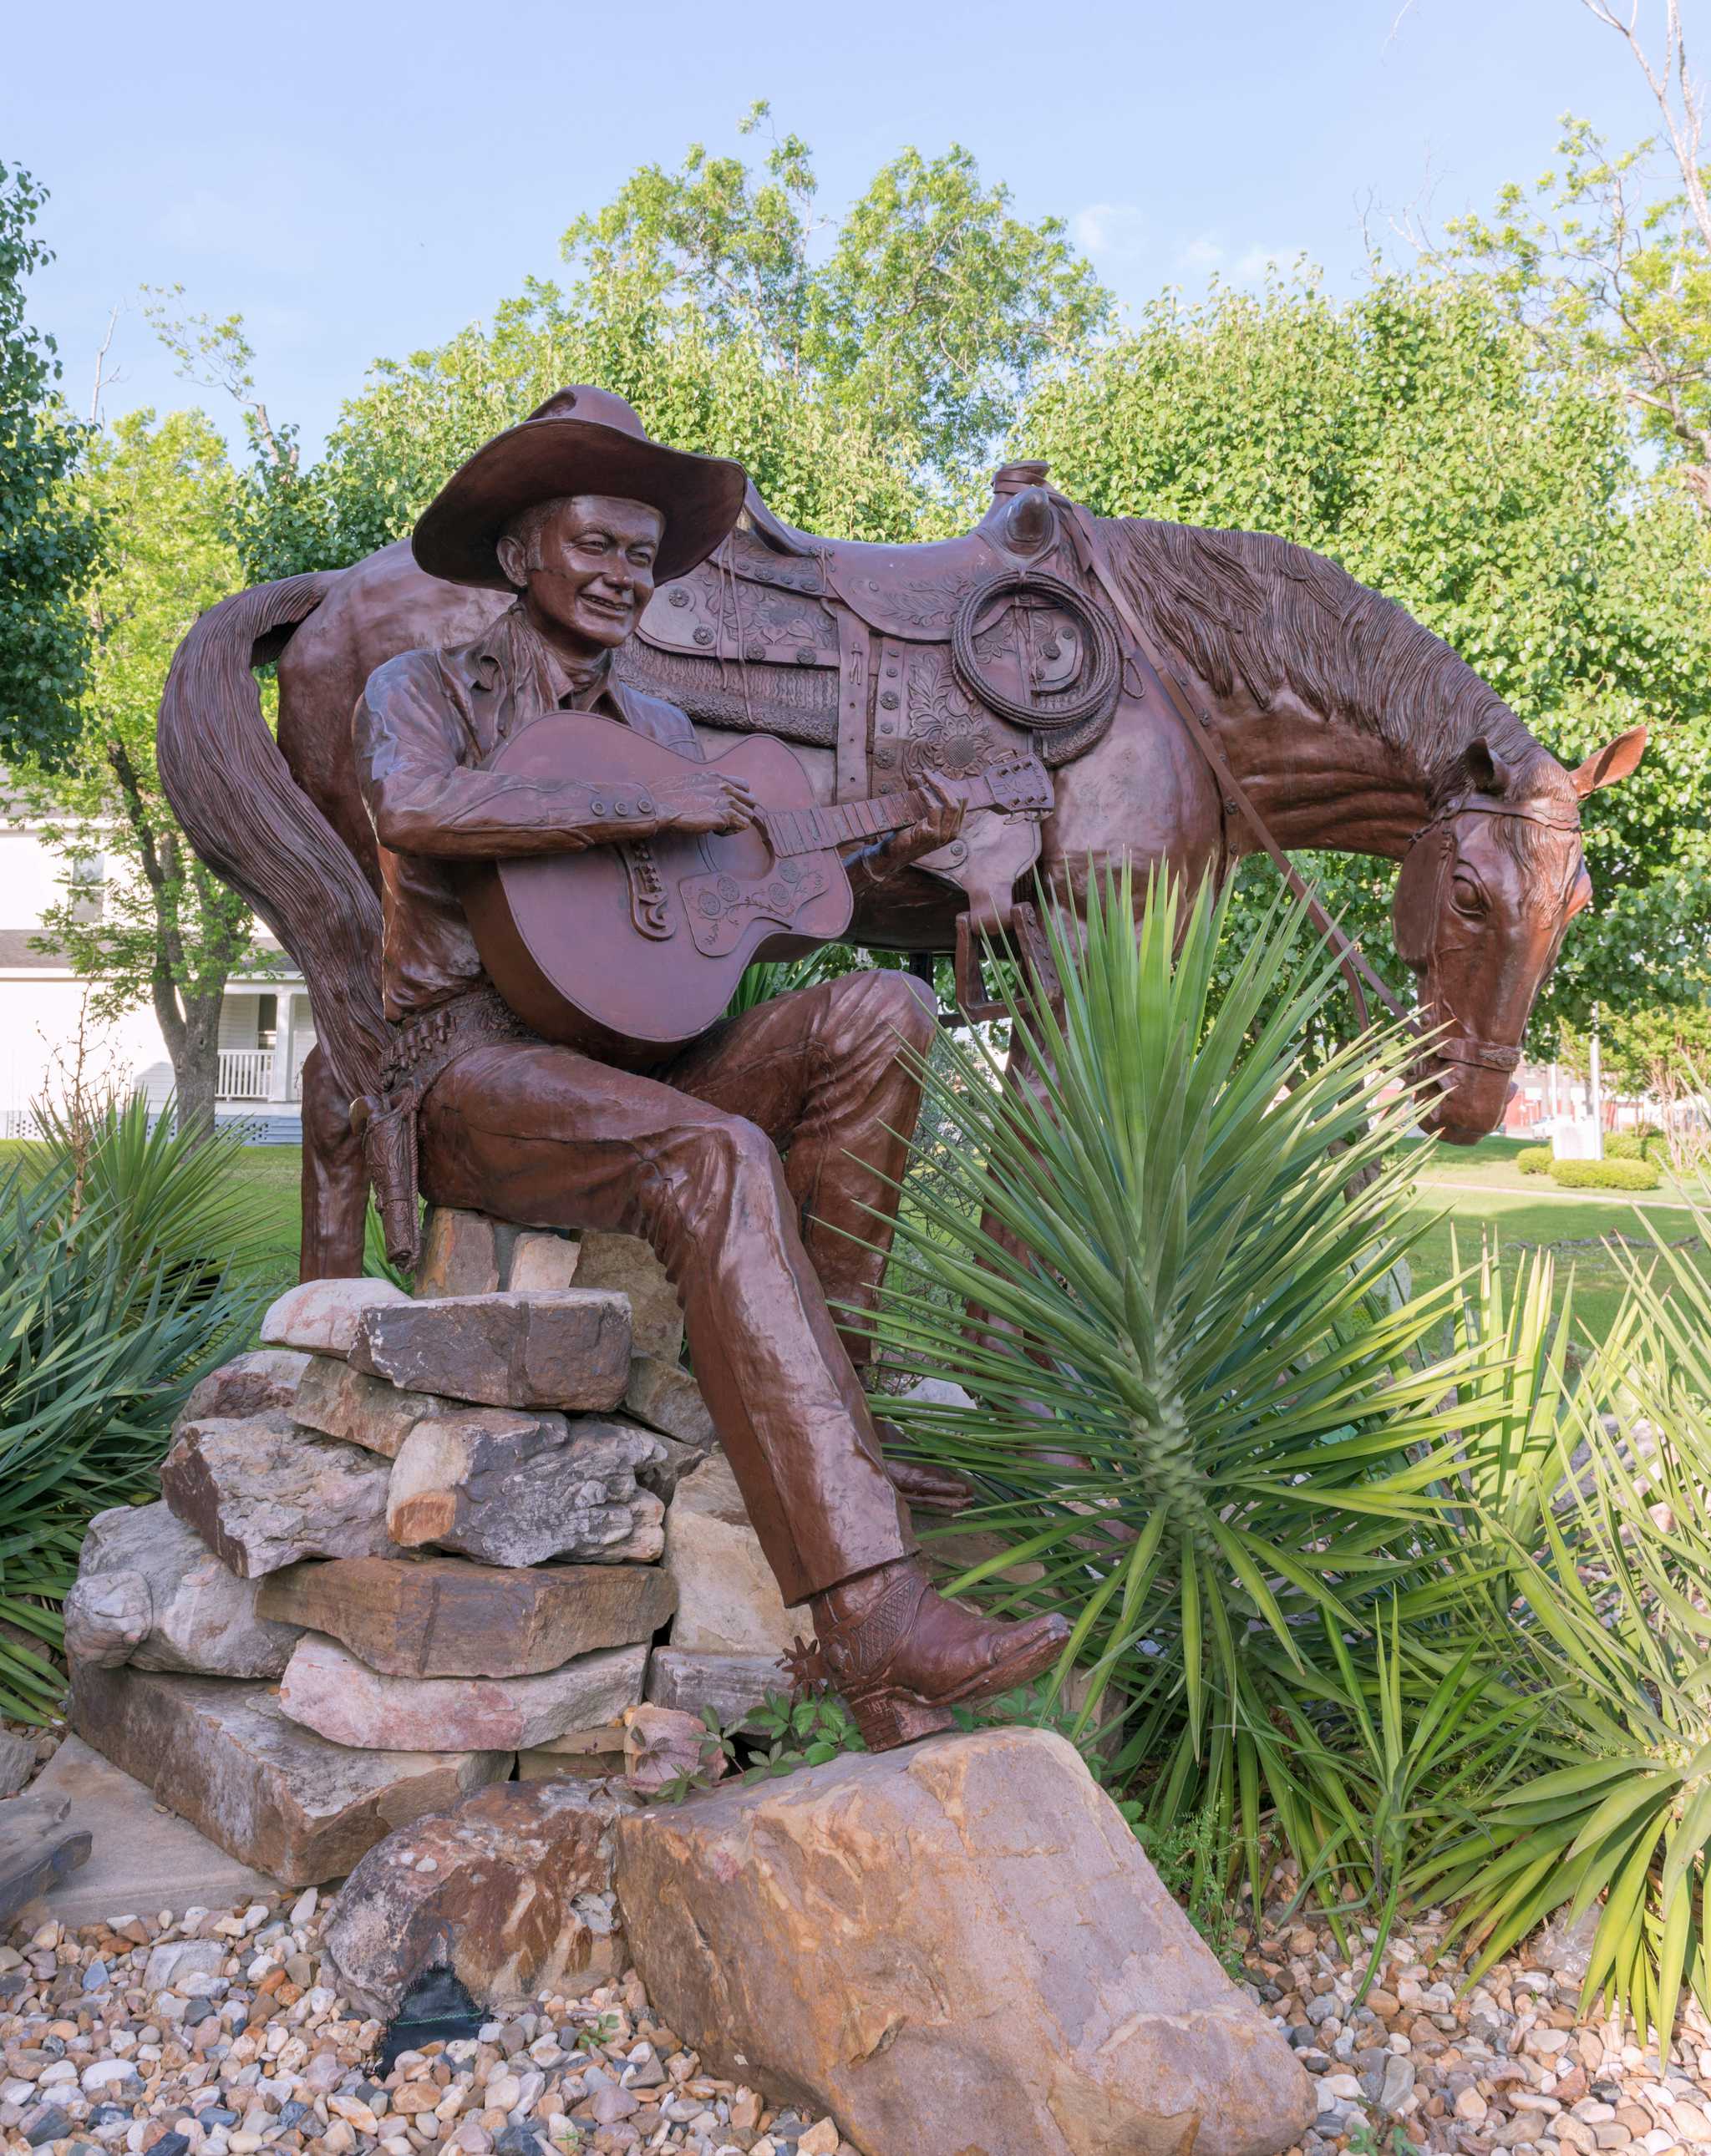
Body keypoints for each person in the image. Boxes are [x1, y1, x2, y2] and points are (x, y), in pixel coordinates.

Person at [350, 387, 1067, 1751]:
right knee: (714, 1151)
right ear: (518, 556)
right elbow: (416, 807)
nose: (624, 574)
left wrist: (884, 844)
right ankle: (871, 1617)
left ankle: (829, 1426)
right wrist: (644, 802)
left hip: (647, 1062)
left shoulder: (670, 729)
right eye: (595, 546)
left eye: (641, 553)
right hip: (476, 1073)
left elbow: (729, 898)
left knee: (880, 1010)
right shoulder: (425, 690)